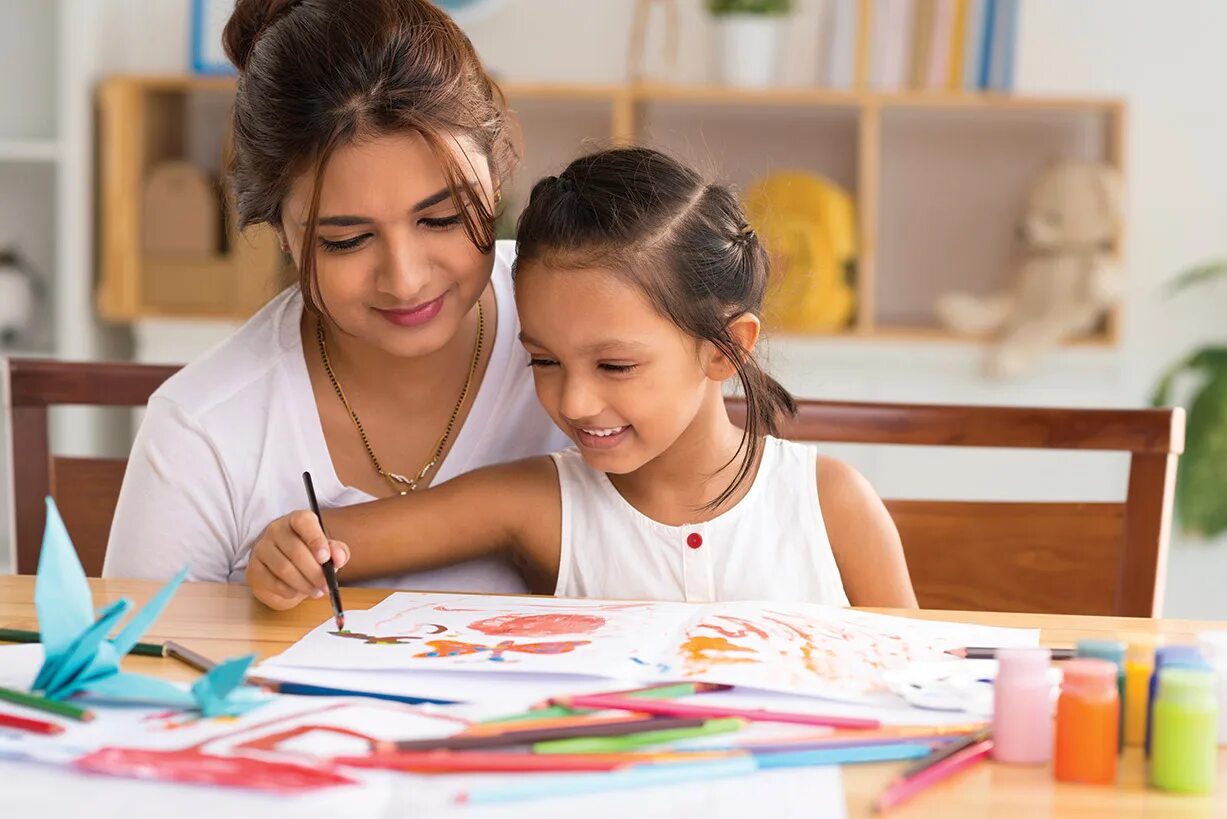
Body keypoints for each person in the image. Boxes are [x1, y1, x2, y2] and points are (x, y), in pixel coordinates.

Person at [247, 148, 918, 610]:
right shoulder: (538, 502)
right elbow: (328, 544)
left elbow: (915, 682)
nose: (572, 400)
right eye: (544, 360)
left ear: (724, 349)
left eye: (615, 365)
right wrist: (289, 551)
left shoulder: (830, 503)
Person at [102, 0, 569, 592]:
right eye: (347, 240)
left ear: (497, 178)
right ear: (282, 234)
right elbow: (137, 664)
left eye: (442, 219)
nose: (404, 280)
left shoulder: (592, 326)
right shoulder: (204, 428)